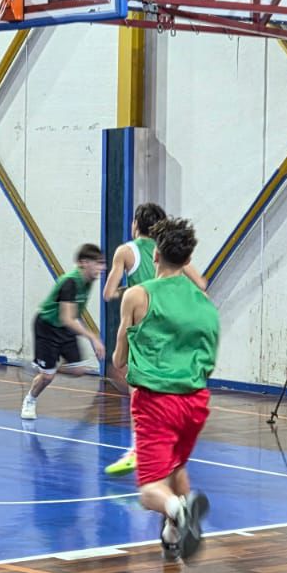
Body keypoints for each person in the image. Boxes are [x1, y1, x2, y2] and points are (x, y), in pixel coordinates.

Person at [111, 219, 218, 561]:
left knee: (149, 490)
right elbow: (209, 357)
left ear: (155, 254)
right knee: (175, 468)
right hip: (196, 402)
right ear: (188, 261)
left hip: (156, 401)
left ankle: (179, 509)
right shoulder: (204, 303)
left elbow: (119, 354)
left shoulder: (138, 295)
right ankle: (172, 535)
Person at [99, 202, 208, 475]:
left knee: (139, 386)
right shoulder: (170, 252)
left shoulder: (126, 251)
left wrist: (132, 289)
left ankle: (141, 448)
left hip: (145, 322)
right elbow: (202, 284)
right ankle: (167, 445)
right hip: (174, 320)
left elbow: (108, 292)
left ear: (135, 223)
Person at [20, 244, 106, 421]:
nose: (102, 268)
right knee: (47, 377)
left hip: (64, 329)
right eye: (97, 263)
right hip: (47, 326)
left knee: (79, 370)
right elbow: (68, 318)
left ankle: (43, 366)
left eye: (102, 263)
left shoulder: (88, 281)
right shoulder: (70, 283)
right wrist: (93, 337)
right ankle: (30, 399)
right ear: (83, 263)